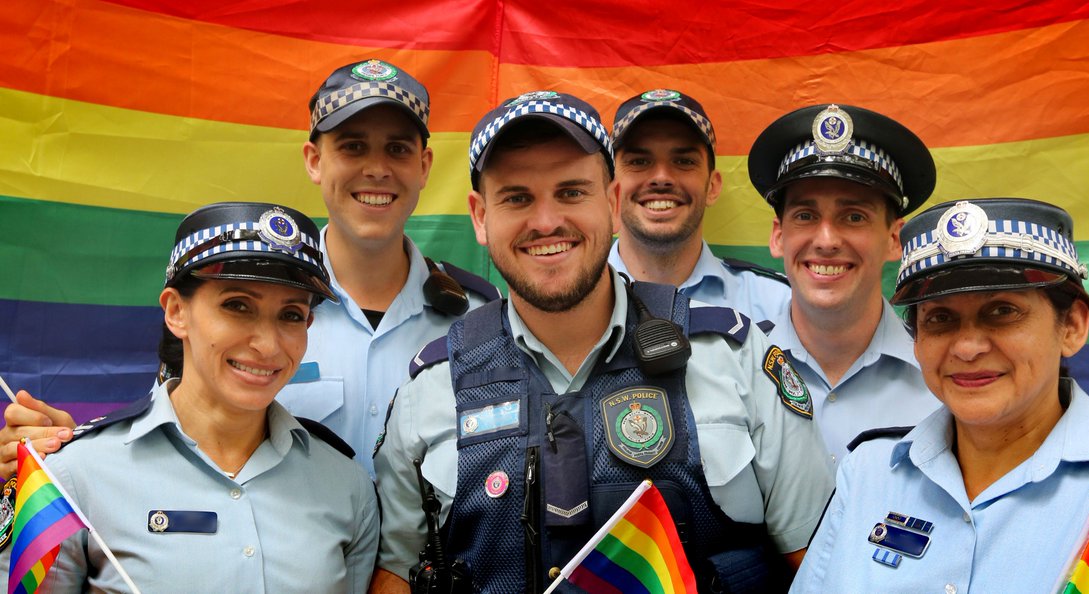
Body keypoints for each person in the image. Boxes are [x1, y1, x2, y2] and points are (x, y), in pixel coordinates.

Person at [370, 91, 833, 593]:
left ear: (613, 204)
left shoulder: (734, 359)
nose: (546, 222)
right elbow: (396, 572)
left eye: (571, 192)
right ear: (480, 217)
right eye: (517, 198)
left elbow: (823, 565)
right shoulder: (431, 391)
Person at [0, 59, 499, 476]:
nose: (376, 168)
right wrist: (72, 450)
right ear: (314, 160)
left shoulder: (476, 315)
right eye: (352, 146)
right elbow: (169, 441)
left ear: (424, 166)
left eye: (398, 149)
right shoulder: (237, 303)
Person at [792, 198, 1089, 592]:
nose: (967, 348)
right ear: (915, 339)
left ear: (1072, 326)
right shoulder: (869, 473)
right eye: (940, 318)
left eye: (1003, 311)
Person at [0, 202, 379, 592]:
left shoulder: (347, 487)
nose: (268, 345)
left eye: (291, 315)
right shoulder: (72, 475)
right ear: (177, 311)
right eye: (237, 306)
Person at [746, 104, 942, 466]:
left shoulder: (945, 375)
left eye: (854, 217)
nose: (826, 240)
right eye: (806, 215)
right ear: (778, 237)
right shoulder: (731, 369)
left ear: (894, 240)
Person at [607, 89, 790, 325]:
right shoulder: (570, 298)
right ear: (611, 189)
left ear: (712, 187)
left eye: (684, 161)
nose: (661, 178)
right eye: (639, 162)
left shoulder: (779, 306)